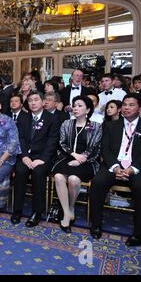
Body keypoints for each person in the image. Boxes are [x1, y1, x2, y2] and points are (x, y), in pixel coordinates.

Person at [89, 94, 141, 246]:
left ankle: (139, 233)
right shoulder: (111, 125)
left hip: (138, 168)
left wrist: (132, 169)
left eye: (131, 105)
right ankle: (96, 225)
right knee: (98, 182)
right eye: (125, 104)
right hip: (114, 165)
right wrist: (115, 166)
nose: (126, 107)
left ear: (140, 108)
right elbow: (105, 149)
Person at [52, 96, 102, 233]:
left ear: (88, 109)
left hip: (88, 161)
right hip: (68, 157)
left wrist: (82, 158)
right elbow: (61, 143)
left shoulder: (96, 126)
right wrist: (73, 155)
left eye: (80, 105)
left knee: (73, 179)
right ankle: (66, 212)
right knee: (58, 177)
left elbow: (96, 147)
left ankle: (71, 207)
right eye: (74, 105)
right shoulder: (66, 124)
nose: (76, 108)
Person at [11, 91, 60, 227]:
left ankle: (37, 212)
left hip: (43, 157)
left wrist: (43, 159)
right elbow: (19, 139)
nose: (33, 103)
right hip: (26, 155)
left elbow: (52, 140)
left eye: (36, 100)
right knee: (20, 172)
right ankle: (17, 210)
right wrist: (24, 156)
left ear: (42, 102)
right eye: (30, 100)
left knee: (38, 173)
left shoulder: (52, 118)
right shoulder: (23, 118)